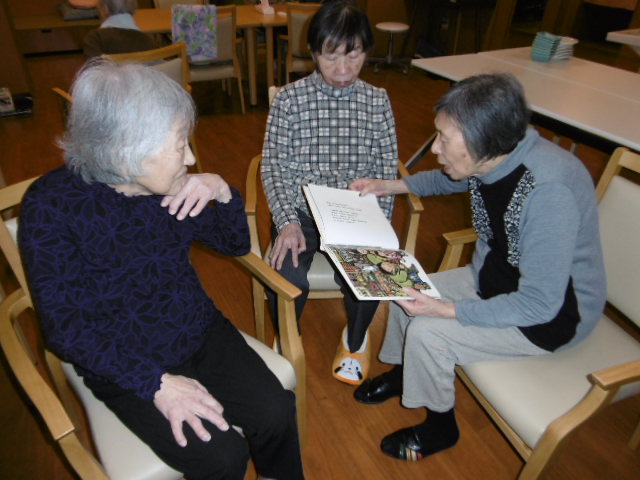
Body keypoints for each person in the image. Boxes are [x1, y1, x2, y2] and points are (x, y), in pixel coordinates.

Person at [19, 60, 304, 480]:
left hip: (197, 329)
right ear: (125, 154)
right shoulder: (50, 207)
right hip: (123, 358)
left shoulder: (171, 187)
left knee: (276, 410)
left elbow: (235, 244)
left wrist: (220, 190)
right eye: (178, 145)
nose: (191, 156)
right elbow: (66, 330)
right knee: (222, 456)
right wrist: (155, 384)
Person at [349, 73, 606, 462]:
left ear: (481, 142)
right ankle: (405, 373)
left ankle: (441, 426)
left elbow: (540, 304)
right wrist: (389, 186)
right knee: (404, 288)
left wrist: (447, 310)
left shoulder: (548, 191)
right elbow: (450, 179)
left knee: (428, 333)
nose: (435, 148)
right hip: (496, 281)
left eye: (443, 138)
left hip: (554, 315)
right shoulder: (496, 157)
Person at [261, 0, 398, 386]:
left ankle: (355, 339)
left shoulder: (377, 101)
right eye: (331, 56)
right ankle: (288, 336)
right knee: (287, 274)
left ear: (366, 51)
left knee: (375, 274)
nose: (342, 69)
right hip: (302, 210)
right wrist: (286, 222)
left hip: (354, 212)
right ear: (313, 53)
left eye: (353, 56)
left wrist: (379, 226)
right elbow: (274, 166)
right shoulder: (289, 99)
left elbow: (386, 172)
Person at [83, 0, 157, 58]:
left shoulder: (95, 39)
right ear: (134, 10)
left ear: (105, 9)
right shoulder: (148, 41)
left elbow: (92, 69)